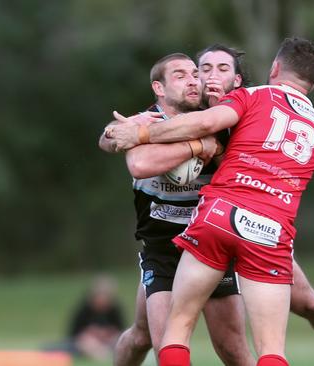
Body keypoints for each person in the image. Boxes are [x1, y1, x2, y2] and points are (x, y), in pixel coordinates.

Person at [118, 43, 314, 366]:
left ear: (243, 79)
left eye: (222, 69)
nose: (210, 77)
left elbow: (206, 128)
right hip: (195, 237)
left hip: (216, 222)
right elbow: (131, 152)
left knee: (304, 306)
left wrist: (194, 141)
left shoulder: (246, 105)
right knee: (149, 337)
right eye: (204, 70)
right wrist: (180, 140)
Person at [99, 53, 254, 366]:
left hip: (210, 245)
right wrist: (198, 147)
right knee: (157, 345)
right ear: (159, 87)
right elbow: (140, 163)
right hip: (163, 249)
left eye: (194, 73)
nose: (193, 80)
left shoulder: (213, 118)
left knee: (233, 350)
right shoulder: (145, 122)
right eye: (181, 75)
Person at [65, 276, 125, 361]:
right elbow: (73, 333)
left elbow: (122, 330)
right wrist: (91, 332)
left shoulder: (115, 309)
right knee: (87, 343)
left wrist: (108, 333)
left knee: (118, 340)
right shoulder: (83, 309)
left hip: (109, 341)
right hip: (88, 342)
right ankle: (102, 355)